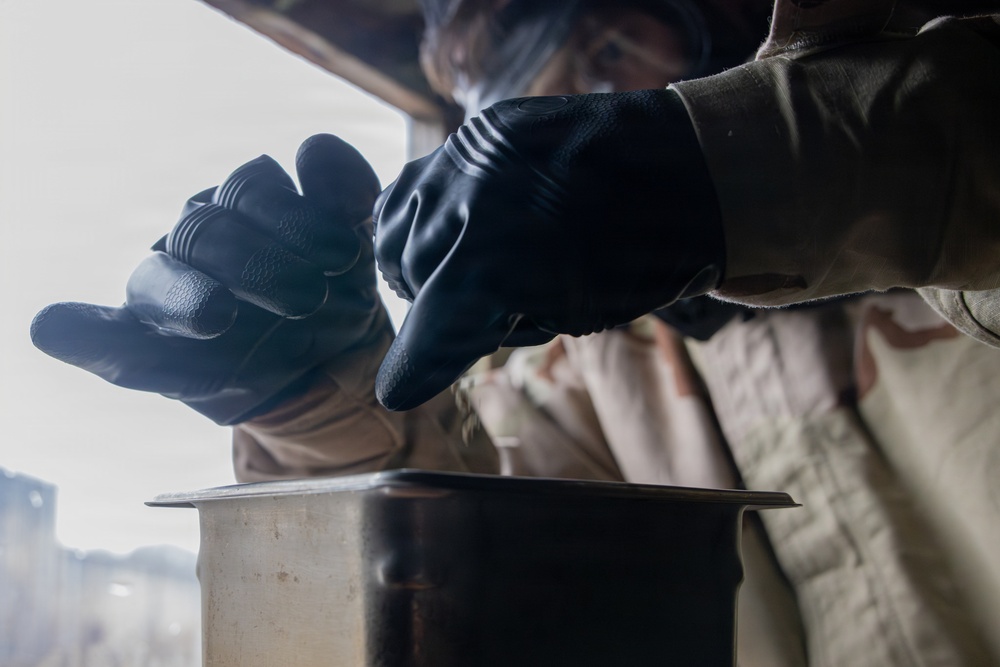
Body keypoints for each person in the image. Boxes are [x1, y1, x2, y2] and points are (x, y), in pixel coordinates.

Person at [29, 0, 1000, 664]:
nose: (572, 107)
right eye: (508, 103)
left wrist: (767, 159)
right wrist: (321, 418)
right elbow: (474, 613)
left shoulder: (947, 166)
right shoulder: (562, 381)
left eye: (612, 53)